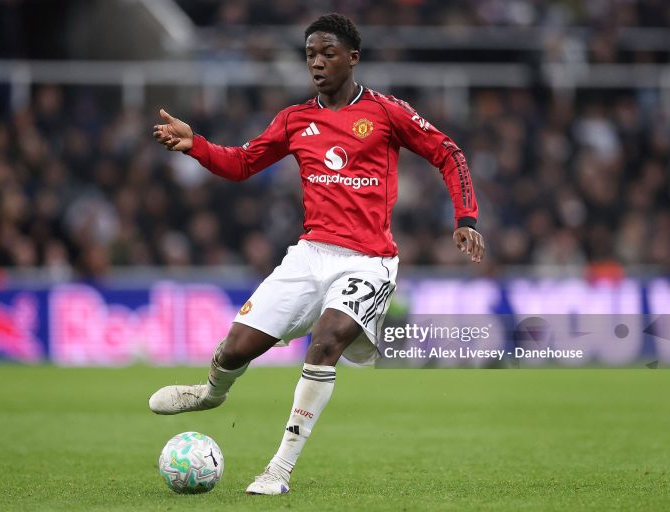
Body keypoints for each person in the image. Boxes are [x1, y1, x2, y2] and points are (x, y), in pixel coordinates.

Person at [149, 13, 485, 495]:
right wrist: (195, 144)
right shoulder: (294, 119)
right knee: (237, 348)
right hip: (309, 256)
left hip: (368, 261)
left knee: (325, 342)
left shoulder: (387, 112)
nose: (318, 63)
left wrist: (466, 218)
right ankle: (209, 394)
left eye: (328, 54)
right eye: (310, 55)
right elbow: (243, 163)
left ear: (353, 57)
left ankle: (278, 470)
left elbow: (448, 153)